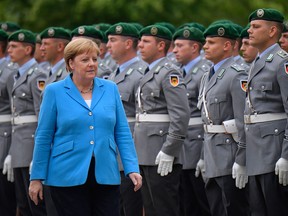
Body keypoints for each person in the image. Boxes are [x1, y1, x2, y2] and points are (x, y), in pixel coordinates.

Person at [28, 38, 142, 216]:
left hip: (105, 172)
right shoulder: (54, 91)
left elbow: (122, 132)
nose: (92, 64)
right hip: (66, 174)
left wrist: (132, 167)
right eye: (85, 60)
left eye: (95, 59)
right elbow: (43, 136)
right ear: (71, 63)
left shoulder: (110, 88)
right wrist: (36, 177)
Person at [135, 24, 190, 216]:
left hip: (161, 151)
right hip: (145, 151)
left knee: (164, 208)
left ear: (160, 46)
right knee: (151, 208)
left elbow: (181, 114)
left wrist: (170, 150)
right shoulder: (150, 72)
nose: (140, 45)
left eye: (146, 41)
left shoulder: (169, 73)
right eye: (140, 41)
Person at [198, 23, 250, 216]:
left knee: (233, 209)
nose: (205, 46)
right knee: (217, 209)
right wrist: (203, 158)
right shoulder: (207, 76)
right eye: (205, 42)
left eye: (211, 42)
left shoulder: (237, 74)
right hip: (212, 156)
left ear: (227, 46)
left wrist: (242, 159)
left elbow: (243, 121)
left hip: (230, 157)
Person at [245, 8, 288, 216]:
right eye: (250, 26)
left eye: (255, 27)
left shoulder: (282, 62)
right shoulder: (257, 62)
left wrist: (287, 156)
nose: (249, 31)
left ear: (272, 31)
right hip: (256, 153)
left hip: (274, 150)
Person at [4, 29, 47, 215]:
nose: (9, 50)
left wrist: (37, 154)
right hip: (19, 144)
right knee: (22, 202)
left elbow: (41, 116)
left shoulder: (37, 75)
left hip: (30, 143)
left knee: (35, 205)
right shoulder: (16, 75)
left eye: (14, 46)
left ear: (28, 49)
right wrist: (12, 151)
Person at [106, 22, 146, 216]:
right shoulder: (113, 74)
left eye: (113, 40)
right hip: (113, 153)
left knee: (131, 208)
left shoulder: (141, 74)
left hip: (130, 151)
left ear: (128, 43)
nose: (107, 45)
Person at [172, 27, 211, 216]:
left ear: (194, 47)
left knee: (200, 200)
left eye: (180, 46)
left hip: (197, 142)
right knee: (184, 201)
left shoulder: (203, 71)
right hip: (181, 144)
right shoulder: (176, 72)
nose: (174, 50)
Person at [0, 29, 17, 216]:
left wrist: (13, 151)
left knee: (6, 200)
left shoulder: (11, 73)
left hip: (5, 139)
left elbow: (18, 112)